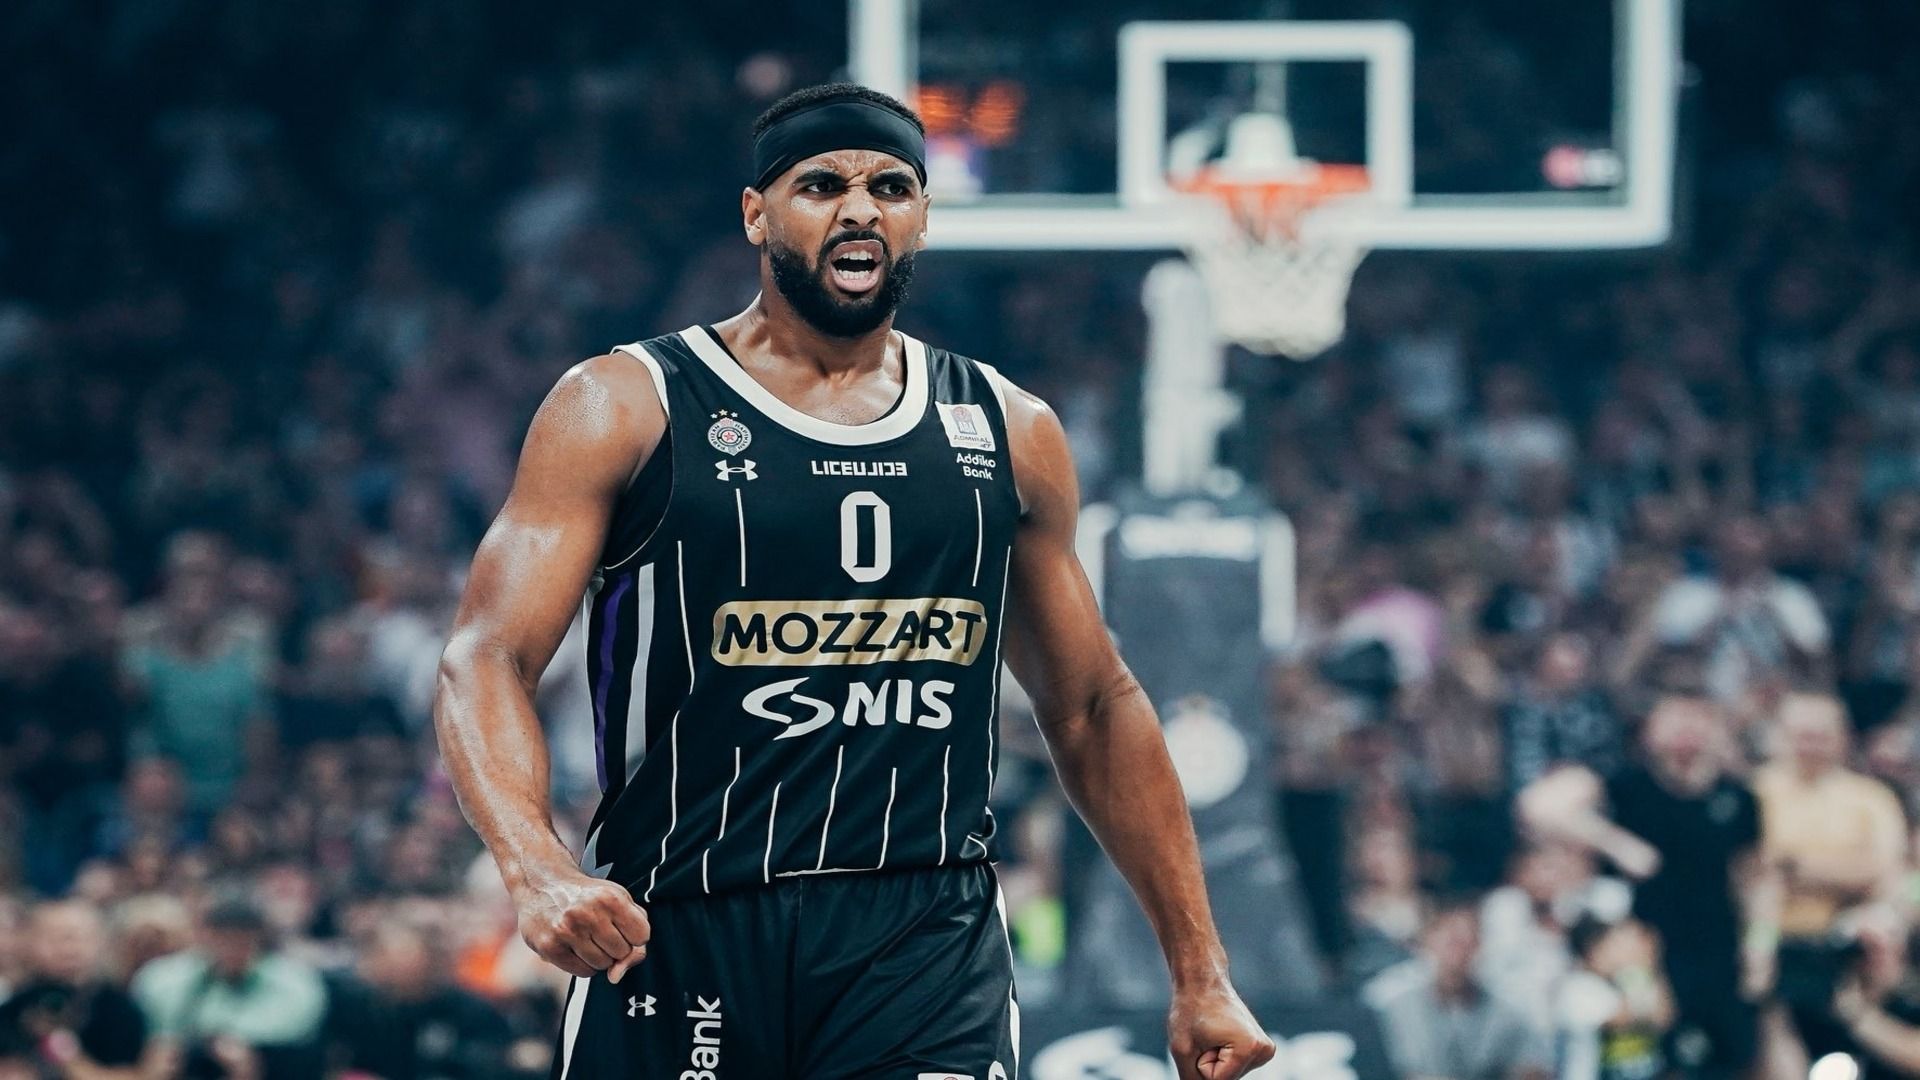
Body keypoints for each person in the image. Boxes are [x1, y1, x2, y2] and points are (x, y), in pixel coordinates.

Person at [432, 82, 1274, 1080]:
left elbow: (1092, 705)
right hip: (684, 920)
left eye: (890, 187)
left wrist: (1200, 969)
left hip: (922, 937)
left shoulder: (1007, 428)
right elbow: (487, 656)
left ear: (922, 216)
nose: (860, 209)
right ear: (757, 214)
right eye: (823, 185)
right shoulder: (625, 402)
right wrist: (536, 869)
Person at [1519, 690, 1782, 1078]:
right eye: (1675, 717)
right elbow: (1537, 807)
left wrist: (1760, 946)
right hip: (1642, 959)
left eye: (1698, 717)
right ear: (1651, 728)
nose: (1687, 728)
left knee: (1731, 1061)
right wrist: (1615, 842)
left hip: (1718, 953)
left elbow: (1757, 879)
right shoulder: (1625, 787)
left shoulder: (1738, 797)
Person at [1753, 692, 1908, 1068]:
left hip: (1843, 947)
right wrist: (1843, 870)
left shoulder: (1872, 799)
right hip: (1767, 947)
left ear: (1843, 738)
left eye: (1821, 735)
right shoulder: (1752, 793)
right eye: (1801, 734)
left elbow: (1884, 873)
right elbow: (1752, 875)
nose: (1810, 745)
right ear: (1779, 735)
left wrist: (1792, 865)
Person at [1363, 900, 1553, 1080]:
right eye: (1451, 941)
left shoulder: (1506, 1011)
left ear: (1479, 944)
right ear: (1428, 940)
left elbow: (1534, 1068)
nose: (1457, 951)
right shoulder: (1395, 1007)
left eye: (1465, 941)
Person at [0, 900, 148, 1080]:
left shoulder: (120, 1009)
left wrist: (65, 1054)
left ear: (101, 942)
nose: (67, 948)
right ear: (29, 941)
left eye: (78, 937)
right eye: (54, 938)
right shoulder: (13, 1008)